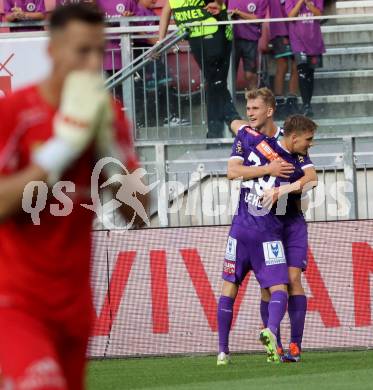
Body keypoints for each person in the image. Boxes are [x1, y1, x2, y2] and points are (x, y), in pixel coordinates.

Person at [0, 4, 145, 389]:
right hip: (14, 303)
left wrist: (110, 155)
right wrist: (60, 151)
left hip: (74, 310)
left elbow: (139, 213)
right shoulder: (16, 113)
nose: (94, 62)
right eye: (82, 51)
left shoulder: (109, 115)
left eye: (101, 51)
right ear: (52, 50)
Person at [217, 88, 317, 365]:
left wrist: (282, 191)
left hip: (290, 220)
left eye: (254, 109)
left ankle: (295, 345)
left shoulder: (289, 139)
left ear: (270, 111)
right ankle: (275, 344)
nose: (249, 114)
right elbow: (232, 171)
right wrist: (267, 171)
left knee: (292, 279)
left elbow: (311, 177)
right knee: (269, 286)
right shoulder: (247, 137)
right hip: (263, 223)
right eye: (248, 109)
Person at [159, 0, 241, 139]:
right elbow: (167, 9)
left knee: (216, 84)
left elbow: (219, 3)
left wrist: (219, 4)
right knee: (215, 85)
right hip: (195, 37)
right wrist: (160, 41)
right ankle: (223, 131)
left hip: (215, 34)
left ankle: (231, 128)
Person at [285, 0, 325, 117]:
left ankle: (308, 104)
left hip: (314, 40)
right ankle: (306, 105)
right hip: (298, 41)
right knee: (302, 71)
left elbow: (319, 15)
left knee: (310, 73)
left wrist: (308, 3)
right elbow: (291, 16)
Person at [268, 0, 299, 119]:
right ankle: (279, 100)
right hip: (280, 29)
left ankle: (292, 99)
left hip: (296, 29)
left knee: (297, 65)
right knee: (283, 65)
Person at [228, 0, 268, 90]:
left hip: (251, 40)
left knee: (250, 75)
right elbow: (223, 9)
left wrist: (239, 13)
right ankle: (228, 101)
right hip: (232, 39)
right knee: (230, 74)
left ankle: (253, 101)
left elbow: (258, 20)